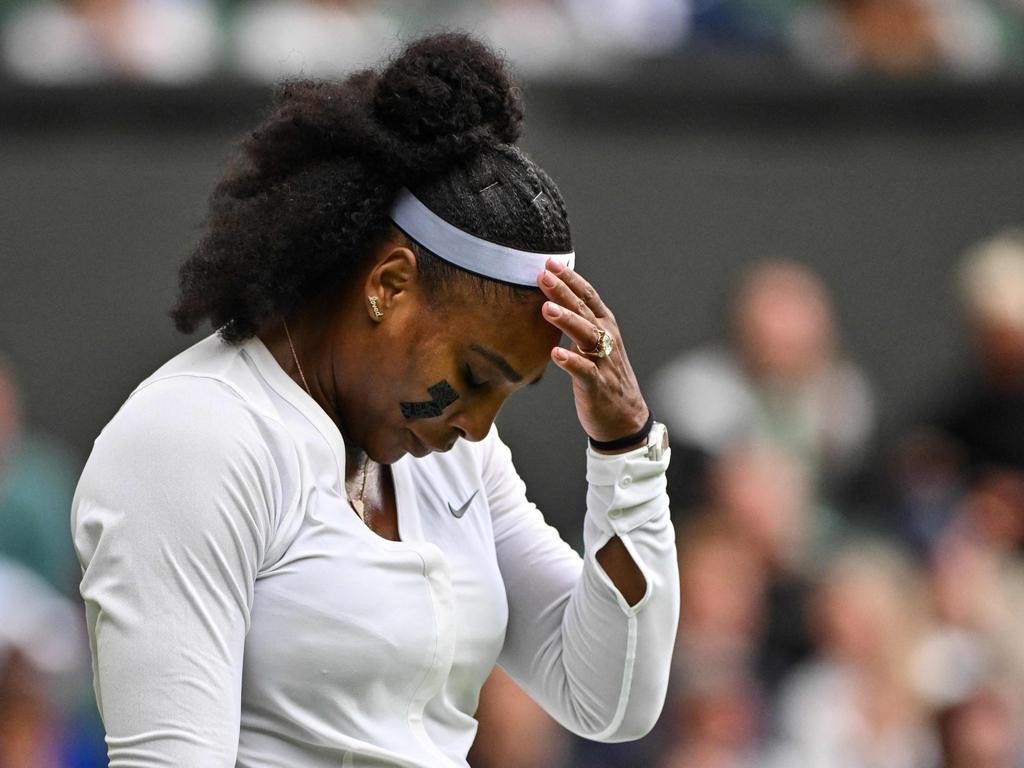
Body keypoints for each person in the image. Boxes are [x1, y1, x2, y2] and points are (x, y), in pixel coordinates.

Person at [70, 33, 679, 767]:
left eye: (511, 393)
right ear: (389, 284)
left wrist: (626, 453)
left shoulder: (451, 455)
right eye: (478, 375)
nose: (478, 424)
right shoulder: (193, 441)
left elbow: (609, 697)